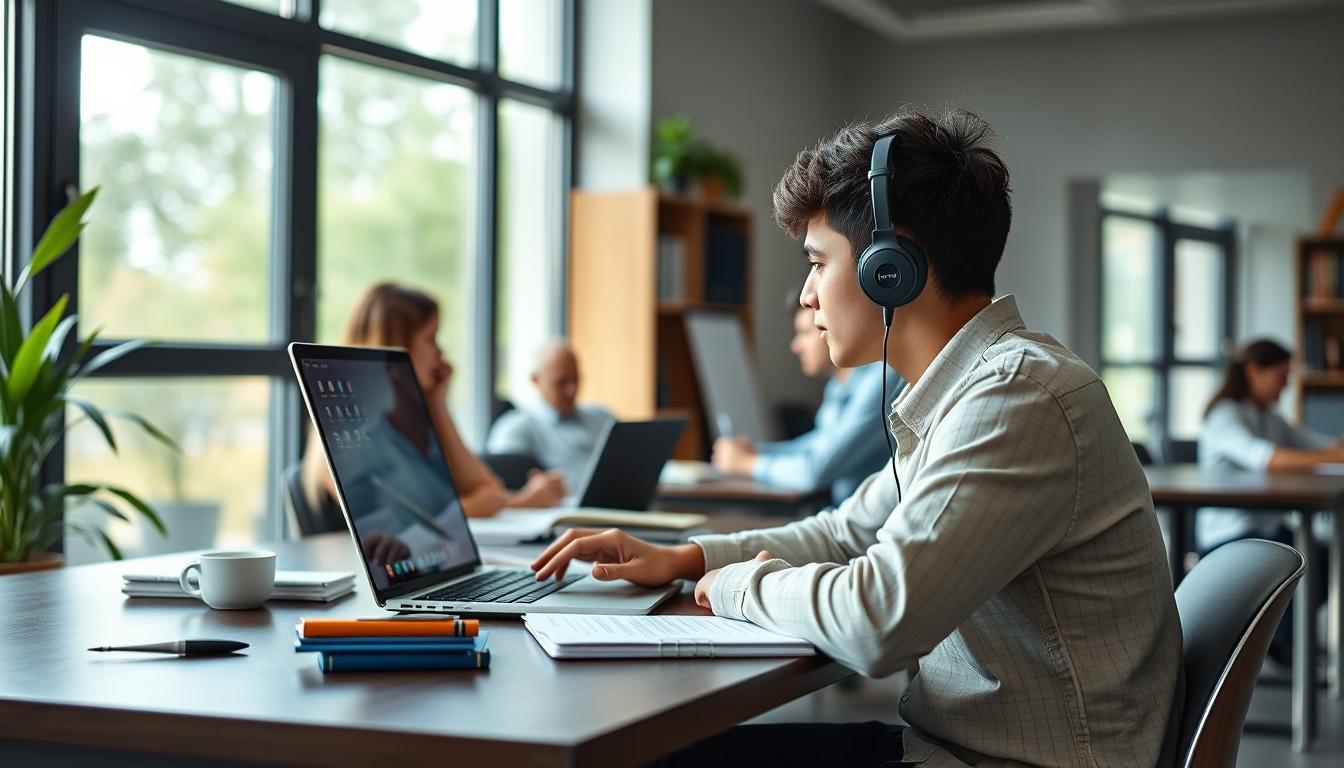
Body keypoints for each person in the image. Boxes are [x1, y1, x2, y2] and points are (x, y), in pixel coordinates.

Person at [530, 108, 1180, 768]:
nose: (809, 296)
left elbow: (879, 618)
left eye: (818, 263)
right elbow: (846, 533)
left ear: (889, 266)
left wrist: (732, 586)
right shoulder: (965, 394)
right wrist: (689, 557)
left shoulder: (1017, 398)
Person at [301, 283, 567, 524]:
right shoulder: (357, 441)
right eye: (431, 339)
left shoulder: (411, 427)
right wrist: (490, 504)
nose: (440, 353)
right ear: (398, 346)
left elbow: (490, 490)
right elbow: (399, 526)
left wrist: (438, 404)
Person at [1196, 338, 1339, 662]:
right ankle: (1277, 641)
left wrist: (1335, 450)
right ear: (1253, 371)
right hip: (1230, 536)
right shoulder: (1224, 416)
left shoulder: (1268, 416)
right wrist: (1330, 456)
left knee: (1323, 558)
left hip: (1267, 529)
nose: (1285, 386)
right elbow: (1267, 459)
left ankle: (1281, 639)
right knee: (1302, 561)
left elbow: (1313, 444)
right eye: (1281, 376)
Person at [711, 285, 903, 504]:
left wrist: (747, 463)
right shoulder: (838, 385)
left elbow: (816, 470)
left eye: (804, 333)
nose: (795, 346)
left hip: (867, 530)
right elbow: (816, 445)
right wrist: (758, 452)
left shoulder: (882, 380)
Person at [485, 339, 615, 493]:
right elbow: (497, 483)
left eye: (576, 379)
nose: (571, 390)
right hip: (566, 512)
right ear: (536, 380)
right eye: (561, 382)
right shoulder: (516, 428)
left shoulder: (603, 418)